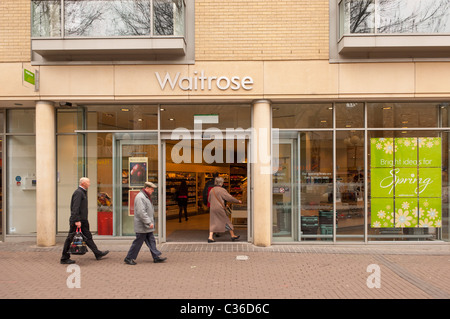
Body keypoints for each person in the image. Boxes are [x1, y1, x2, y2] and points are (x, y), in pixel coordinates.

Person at [60, 177, 109, 264]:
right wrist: (77, 220)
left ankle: (97, 253)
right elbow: (75, 208)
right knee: (70, 239)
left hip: (83, 220)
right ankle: (64, 258)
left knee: (88, 237)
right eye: (88, 182)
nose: (89, 184)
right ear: (83, 183)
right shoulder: (78, 193)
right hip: (78, 221)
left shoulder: (82, 193)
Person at [124, 181, 167, 265]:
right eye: (151, 189)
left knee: (151, 241)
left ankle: (156, 257)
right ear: (146, 188)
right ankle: (129, 258)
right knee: (138, 242)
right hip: (142, 225)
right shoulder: (141, 197)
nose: (153, 191)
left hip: (146, 226)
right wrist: (148, 222)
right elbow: (141, 212)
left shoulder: (145, 196)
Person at [207, 177, 242, 243]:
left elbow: (209, 200)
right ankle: (232, 235)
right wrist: (237, 201)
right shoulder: (222, 190)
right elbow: (229, 198)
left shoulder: (212, 190)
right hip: (219, 208)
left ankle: (210, 237)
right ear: (221, 183)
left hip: (212, 208)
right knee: (226, 220)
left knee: (213, 222)